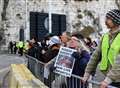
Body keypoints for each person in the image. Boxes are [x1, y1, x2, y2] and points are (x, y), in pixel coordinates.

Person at [82, 9, 120, 88]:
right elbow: (95, 56)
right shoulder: (105, 36)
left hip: (115, 79)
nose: (105, 21)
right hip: (110, 79)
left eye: (108, 19)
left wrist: (108, 80)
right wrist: (87, 73)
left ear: (116, 21)